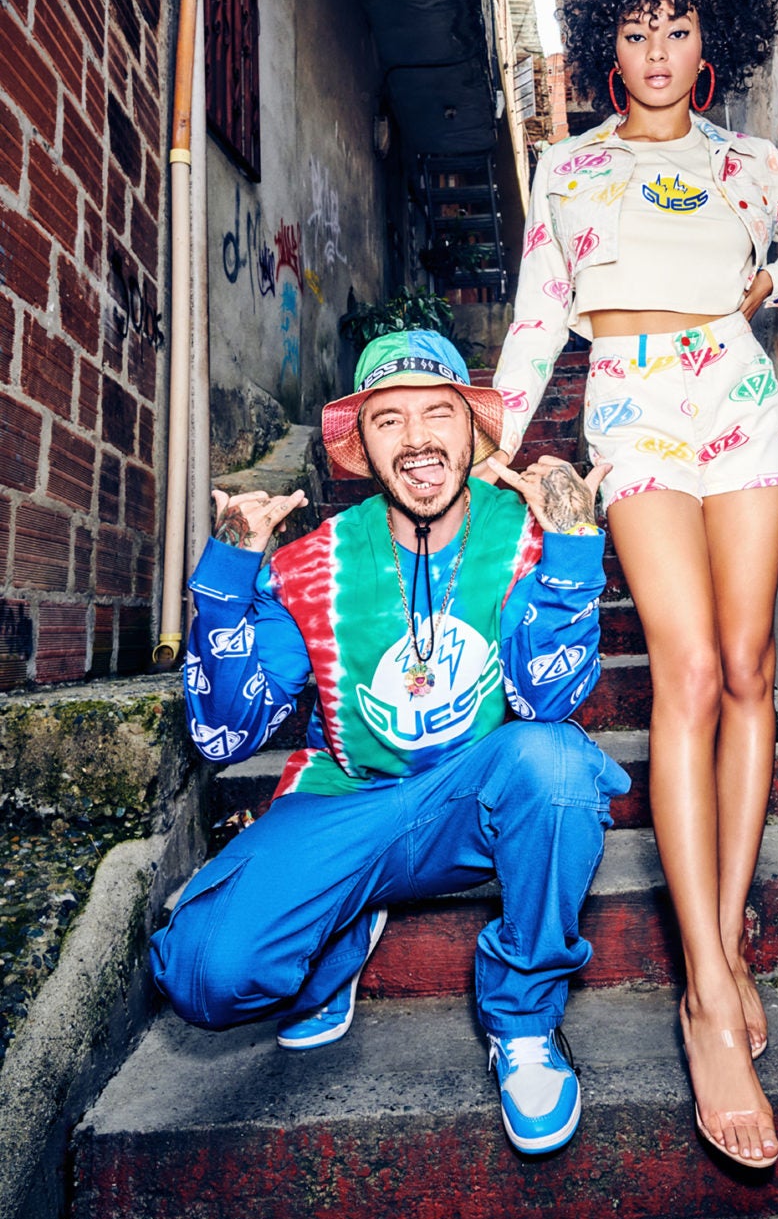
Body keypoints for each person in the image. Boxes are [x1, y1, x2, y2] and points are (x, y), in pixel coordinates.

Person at [480, 0, 778, 1169]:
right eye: (635, 30)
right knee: (686, 669)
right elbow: (539, 318)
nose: (656, 51)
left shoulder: (750, 163)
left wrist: (772, 284)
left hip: (737, 389)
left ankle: (727, 934)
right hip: (633, 400)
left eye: (677, 29)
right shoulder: (569, 168)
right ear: (609, 45)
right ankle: (703, 988)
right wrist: (495, 434)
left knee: (749, 667)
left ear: (707, 43)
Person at [150, 329, 628, 1157]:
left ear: (472, 432)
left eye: (439, 413)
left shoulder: (523, 538)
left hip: (472, 802)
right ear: (363, 448)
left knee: (555, 763)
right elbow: (226, 735)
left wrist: (572, 553)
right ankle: (339, 934)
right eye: (388, 420)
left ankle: (521, 1018)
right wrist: (227, 582)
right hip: (348, 800)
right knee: (206, 969)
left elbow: (546, 699)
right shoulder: (313, 565)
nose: (416, 439)